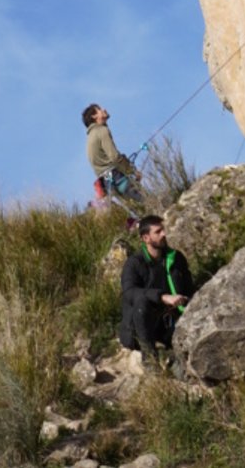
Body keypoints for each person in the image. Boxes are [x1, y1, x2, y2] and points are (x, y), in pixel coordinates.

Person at [118, 214, 195, 363]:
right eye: (158, 232)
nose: (164, 234)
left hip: (170, 324)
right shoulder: (134, 263)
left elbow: (189, 288)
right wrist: (162, 297)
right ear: (146, 238)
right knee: (141, 302)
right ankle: (150, 360)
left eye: (163, 230)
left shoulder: (176, 258)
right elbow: (129, 292)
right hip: (140, 329)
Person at [83, 103, 140, 210]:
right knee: (144, 201)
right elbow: (114, 157)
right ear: (94, 116)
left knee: (134, 209)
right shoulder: (101, 130)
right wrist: (132, 171)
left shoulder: (90, 137)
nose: (103, 109)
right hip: (116, 177)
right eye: (99, 109)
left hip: (106, 182)